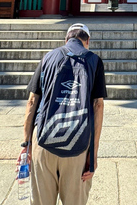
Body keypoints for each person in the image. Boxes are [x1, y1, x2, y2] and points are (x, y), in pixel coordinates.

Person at [21, 23, 107, 205]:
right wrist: (93, 154)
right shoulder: (94, 61)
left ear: (66, 39)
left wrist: (26, 144)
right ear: (87, 41)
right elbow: (98, 106)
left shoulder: (48, 58)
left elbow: (31, 102)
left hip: (44, 141)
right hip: (78, 144)